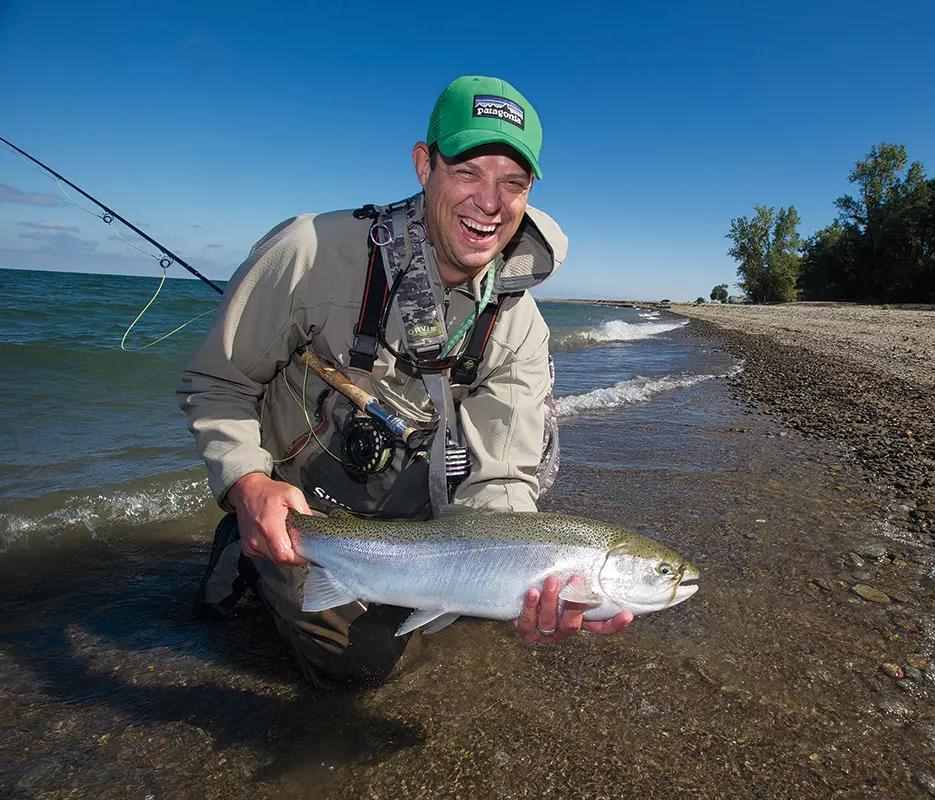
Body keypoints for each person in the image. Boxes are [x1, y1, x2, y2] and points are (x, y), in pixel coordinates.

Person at [180, 75, 631, 687]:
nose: (490, 204)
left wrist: (518, 580)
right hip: (301, 506)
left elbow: (500, 478)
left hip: (421, 520)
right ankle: (249, 552)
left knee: (488, 610)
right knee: (358, 669)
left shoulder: (520, 325)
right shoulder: (309, 252)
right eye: (469, 171)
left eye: (513, 182)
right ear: (425, 165)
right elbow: (218, 384)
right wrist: (245, 479)